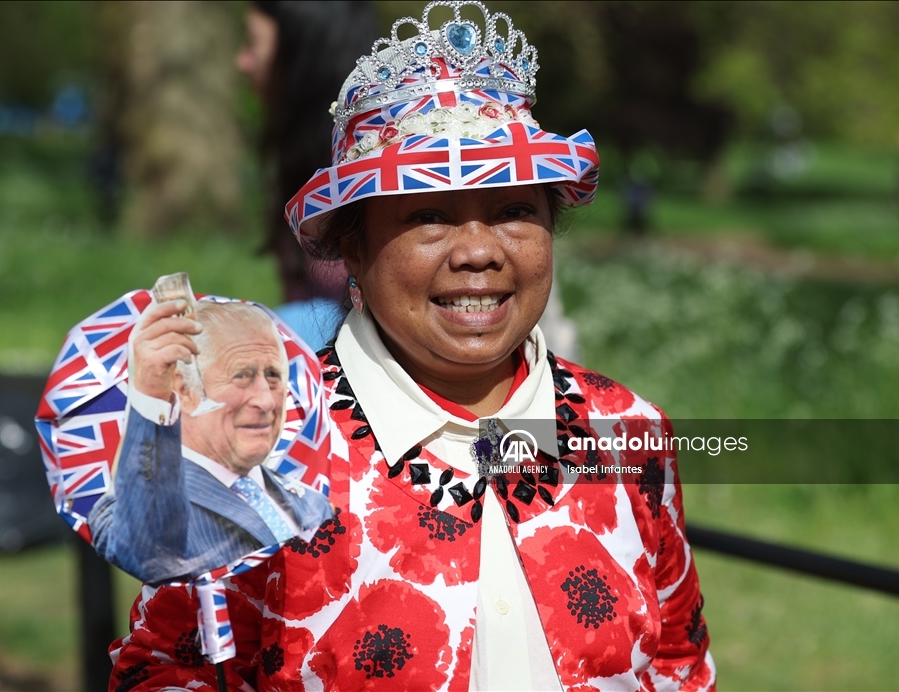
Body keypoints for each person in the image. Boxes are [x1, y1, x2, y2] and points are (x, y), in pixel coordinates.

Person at [108, 2, 715, 689]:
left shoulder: (628, 432)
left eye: (515, 210)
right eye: (429, 215)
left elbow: (680, 664)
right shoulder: (261, 453)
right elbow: (162, 669)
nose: (479, 251)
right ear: (352, 248)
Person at [88, 301, 333, 584]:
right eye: (242, 376)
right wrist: (150, 400)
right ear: (183, 389)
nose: (266, 401)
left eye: (273, 376)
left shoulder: (312, 503)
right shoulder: (149, 508)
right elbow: (142, 551)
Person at [237, 1, 380, 349]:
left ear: (301, 55)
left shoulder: (367, 173)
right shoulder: (297, 154)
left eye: (252, 43)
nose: (242, 62)